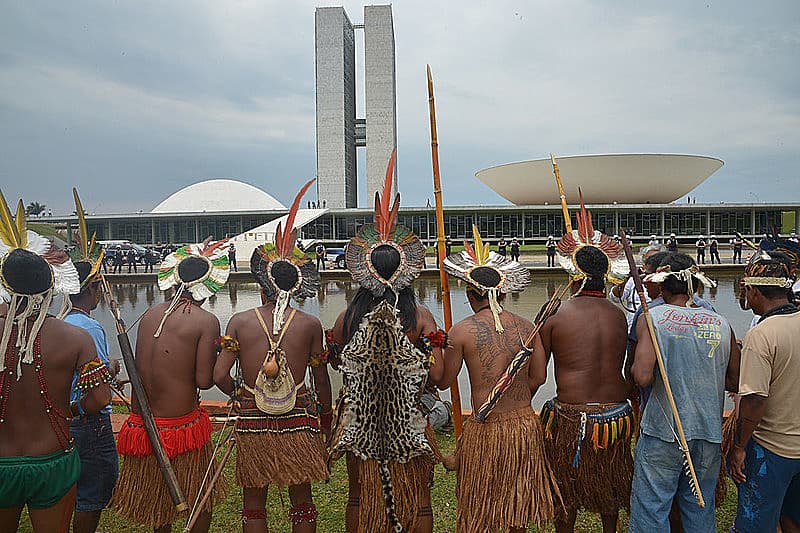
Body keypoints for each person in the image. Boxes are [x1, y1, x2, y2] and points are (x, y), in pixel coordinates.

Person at [326, 154, 445, 533]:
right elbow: (440, 378)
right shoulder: (421, 318)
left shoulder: (348, 316)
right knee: (419, 498)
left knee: (359, 495)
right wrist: (434, 350)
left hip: (360, 418)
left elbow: (336, 364)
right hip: (406, 417)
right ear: (406, 270)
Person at [215, 180, 331, 533]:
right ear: (296, 284)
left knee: (254, 504)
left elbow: (220, 376)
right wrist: (324, 417)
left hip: (253, 415)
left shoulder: (238, 322)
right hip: (297, 415)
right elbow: (320, 379)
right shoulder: (310, 324)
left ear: (261, 283)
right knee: (302, 501)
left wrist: (242, 394)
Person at [0, 202, 111, 533]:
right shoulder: (76, 338)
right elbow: (100, 399)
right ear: (52, 284)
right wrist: (71, 409)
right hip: (54, 459)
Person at [440, 226, 557, 532]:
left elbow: (442, 381)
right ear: (503, 292)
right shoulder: (526, 327)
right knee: (516, 502)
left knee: (483, 505)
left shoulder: (461, 331)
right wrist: (517, 401)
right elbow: (540, 377)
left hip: (486, 428)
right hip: (523, 425)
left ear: (469, 293)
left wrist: (433, 350)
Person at [112, 241, 230, 532]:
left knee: (159, 505)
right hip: (180, 425)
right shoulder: (206, 321)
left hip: (144, 424)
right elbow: (204, 380)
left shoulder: (149, 314)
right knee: (200, 498)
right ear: (209, 286)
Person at [536, 202, 634, 533]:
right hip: (616, 416)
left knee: (566, 491)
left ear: (572, 273)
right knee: (610, 490)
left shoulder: (556, 314)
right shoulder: (619, 314)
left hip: (571, 417)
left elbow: (536, 374)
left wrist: (538, 327)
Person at [629, 253, 740, 531]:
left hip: (662, 433)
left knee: (651, 510)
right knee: (699, 509)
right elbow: (735, 382)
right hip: (708, 432)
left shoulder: (652, 319)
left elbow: (641, 377)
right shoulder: (721, 322)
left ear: (662, 287)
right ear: (695, 287)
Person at [730, 252, 800, 532]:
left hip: (772, 448)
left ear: (754, 291)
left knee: (754, 524)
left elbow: (756, 399)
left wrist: (738, 447)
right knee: (793, 519)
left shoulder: (762, 334)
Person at [65, 211, 120, 533]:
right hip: (90, 421)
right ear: (92, 289)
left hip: (66, 419)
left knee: (76, 487)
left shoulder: (61, 323)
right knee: (93, 492)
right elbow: (95, 391)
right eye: (99, 287)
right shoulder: (88, 326)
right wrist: (110, 370)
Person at [610, 244, 664, 330]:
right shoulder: (633, 279)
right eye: (648, 260)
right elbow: (615, 298)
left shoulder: (667, 282)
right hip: (633, 327)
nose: (652, 263)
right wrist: (624, 280)